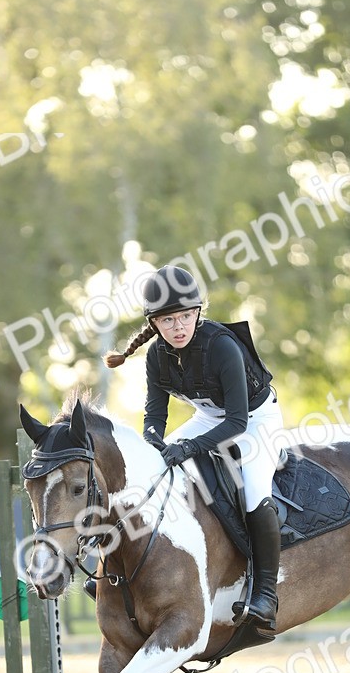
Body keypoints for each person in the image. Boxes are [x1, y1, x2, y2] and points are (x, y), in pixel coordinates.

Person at [103, 264, 284, 631]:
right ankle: (121, 569)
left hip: (256, 418)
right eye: (169, 321)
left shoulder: (222, 347)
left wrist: (187, 450)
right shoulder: (156, 357)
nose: (179, 327)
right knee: (151, 472)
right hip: (207, 416)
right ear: (154, 324)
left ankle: (266, 593)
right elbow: (155, 414)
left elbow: (237, 422)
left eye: (186, 316)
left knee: (254, 493)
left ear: (198, 312)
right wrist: (154, 440)